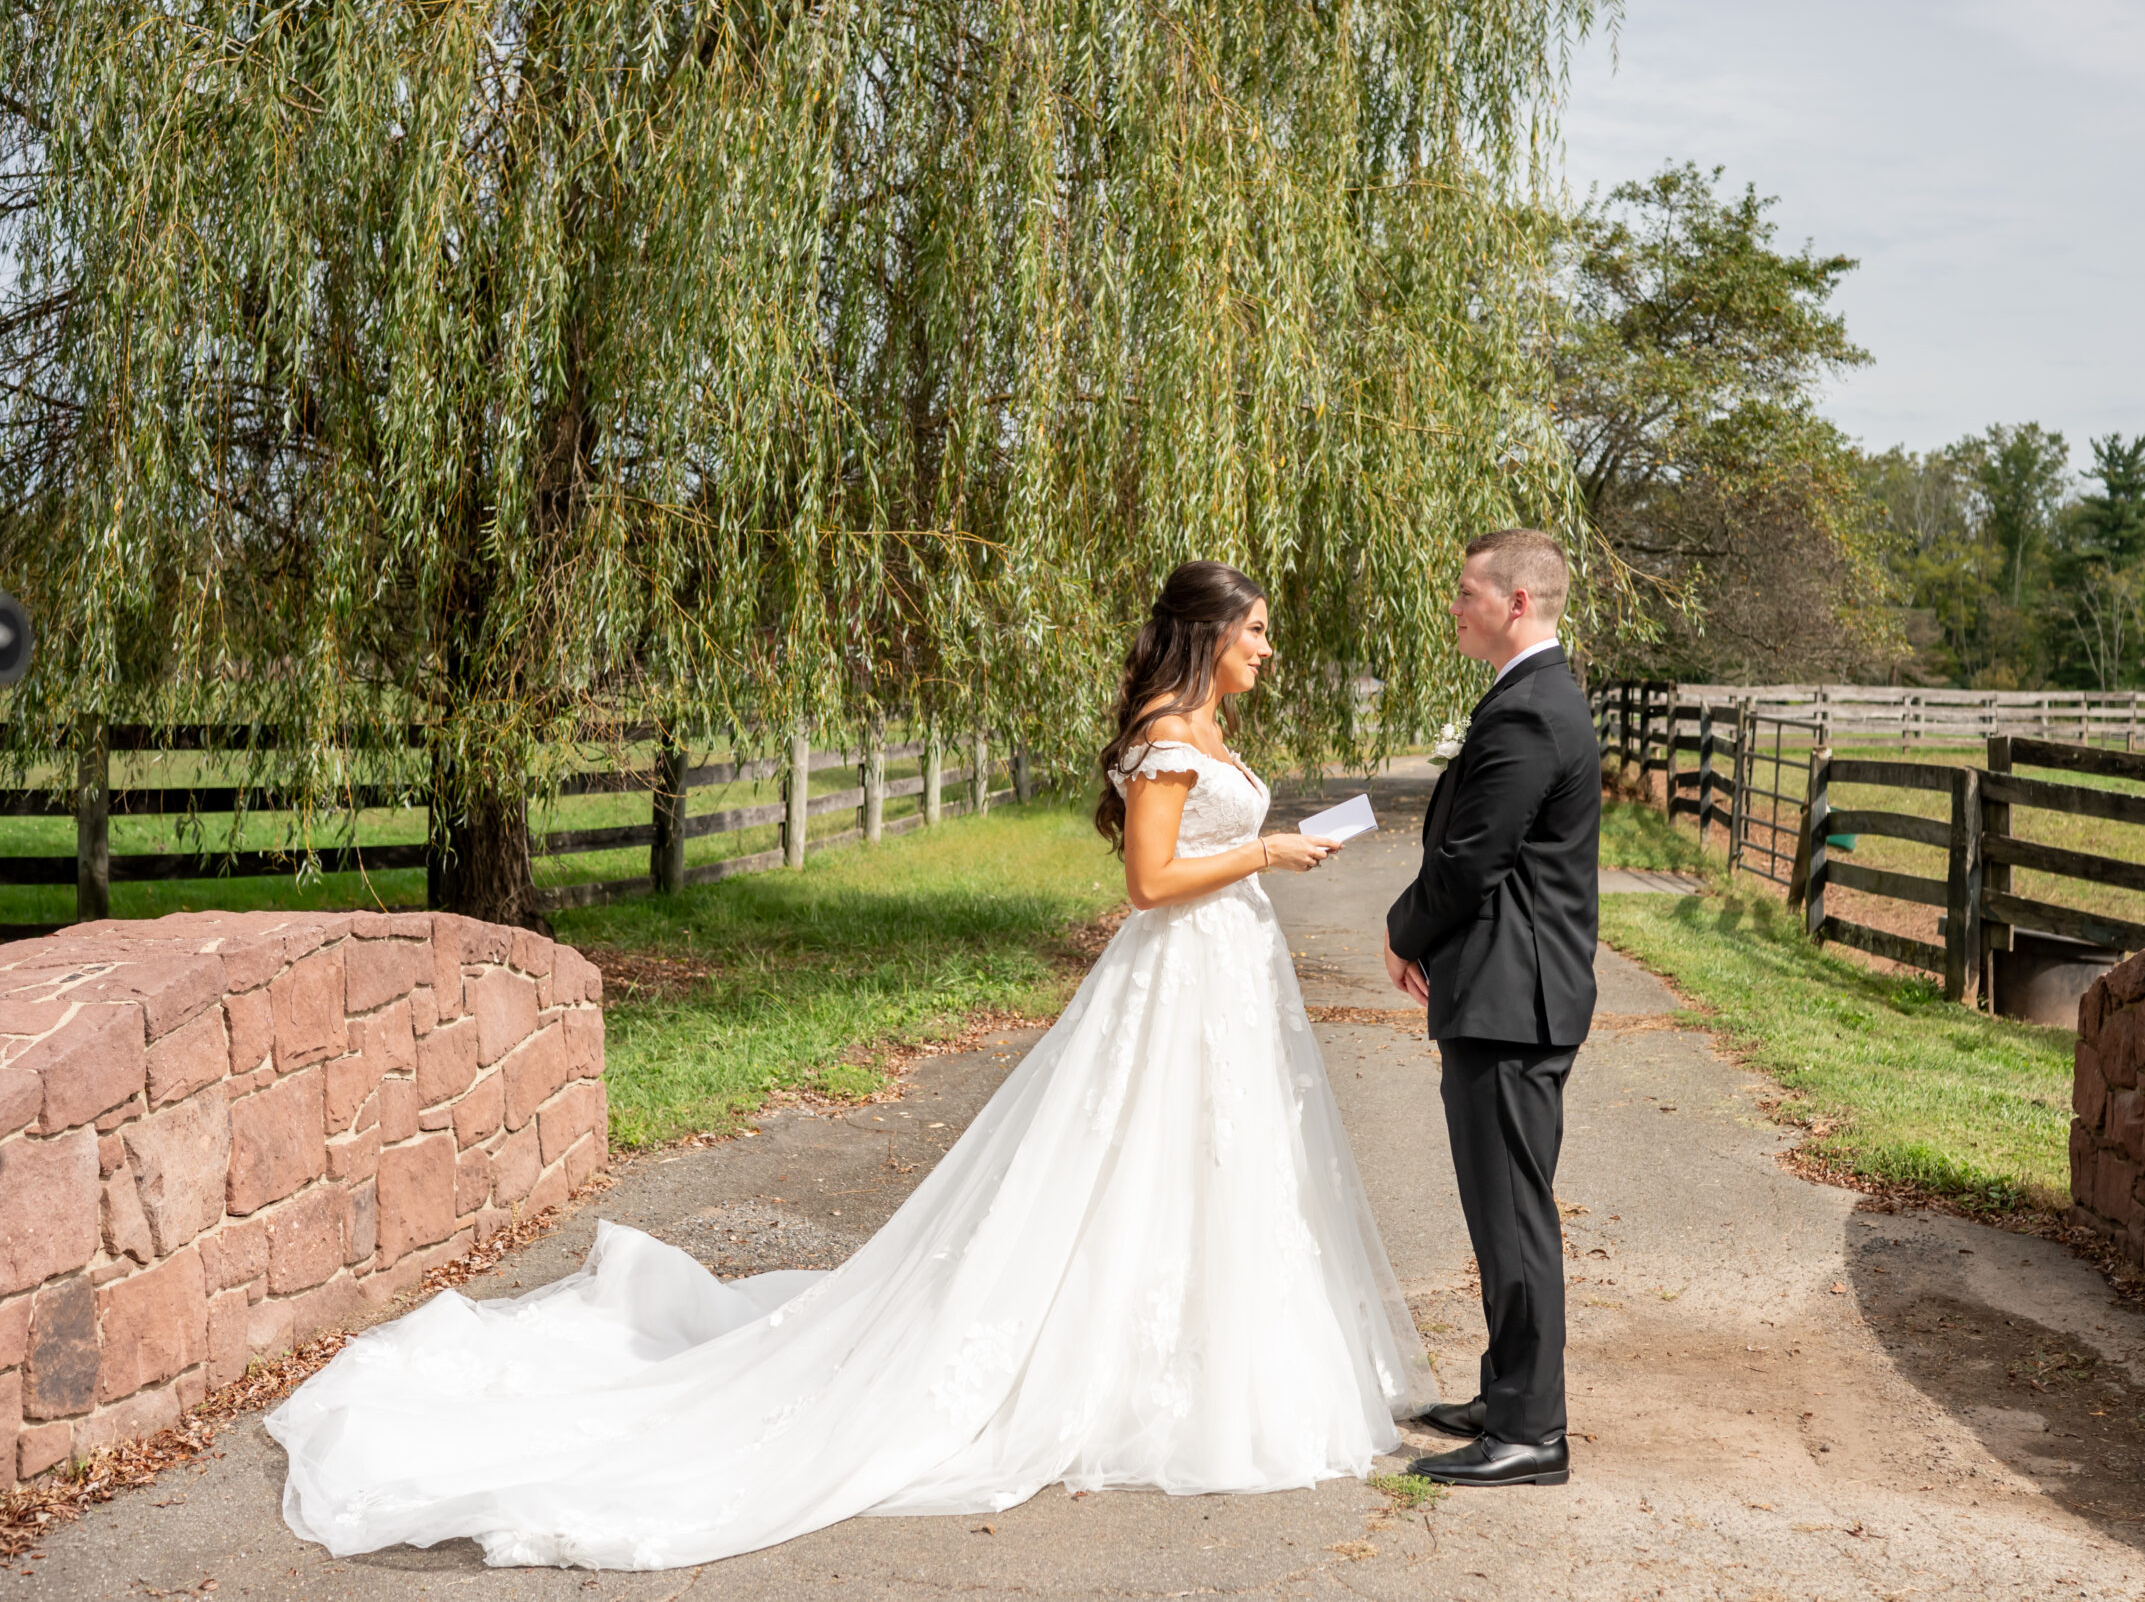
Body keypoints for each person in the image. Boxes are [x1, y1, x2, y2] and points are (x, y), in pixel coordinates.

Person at [265, 561, 1431, 1571]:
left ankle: (1201, 1359)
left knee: (1212, 1170)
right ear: (1209, 633)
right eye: (1258, 629)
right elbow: (1147, 883)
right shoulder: (1166, 741)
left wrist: (1268, 856)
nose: (1269, 648)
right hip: (1177, 970)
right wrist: (1269, 851)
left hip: (1226, 974)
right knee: (1130, 1159)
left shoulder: (1209, 731)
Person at [1382, 529, 1600, 1489]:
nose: (1454, 605)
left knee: (1513, 1214)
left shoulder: (1529, 712)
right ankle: (1505, 1392)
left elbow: (1473, 860)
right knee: (1500, 1207)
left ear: (1516, 602)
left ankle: (1530, 1432)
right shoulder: (1534, 695)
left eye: (1466, 591)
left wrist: (1402, 930)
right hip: (1511, 995)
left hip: (1514, 1001)